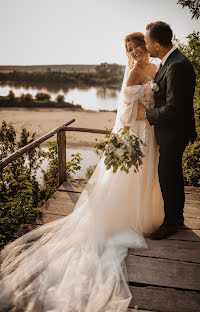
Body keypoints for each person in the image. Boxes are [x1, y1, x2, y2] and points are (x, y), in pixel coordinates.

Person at [0, 32, 164, 311]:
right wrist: (136, 121)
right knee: (130, 177)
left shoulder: (156, 67)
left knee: (149, 174)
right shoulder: (135, 71)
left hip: (152, 131)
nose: (135, 52)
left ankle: (148, 215)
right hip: (137, 131)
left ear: (145, 46)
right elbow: (125, 107)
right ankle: (129, 219)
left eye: (137, 47)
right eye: (130, 49)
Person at [137, 21, 197, 239]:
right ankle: (177, 217)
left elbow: (174, 106)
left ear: (156, 44)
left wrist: (147, 115)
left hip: (174, 131)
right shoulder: (169, 61)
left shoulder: (177, 65)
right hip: (172, 130)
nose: (145, 45)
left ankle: (170, 223)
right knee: (173, 174)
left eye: (147, 42)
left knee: (167, 175)